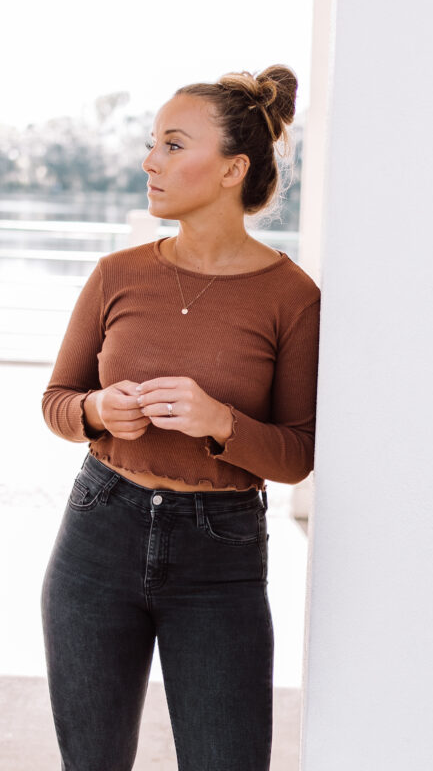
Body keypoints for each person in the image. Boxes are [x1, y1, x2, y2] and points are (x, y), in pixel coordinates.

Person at [40, 66, 321, 771]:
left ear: (233, 169)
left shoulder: (292, 297)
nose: (149, 162)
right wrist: (97, 411)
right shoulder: (115, 274)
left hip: (218, 556)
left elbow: (297, 455)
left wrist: (221, 421)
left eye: (171, 145)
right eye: (151, 144)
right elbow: (58, 402)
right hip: (97, 535)